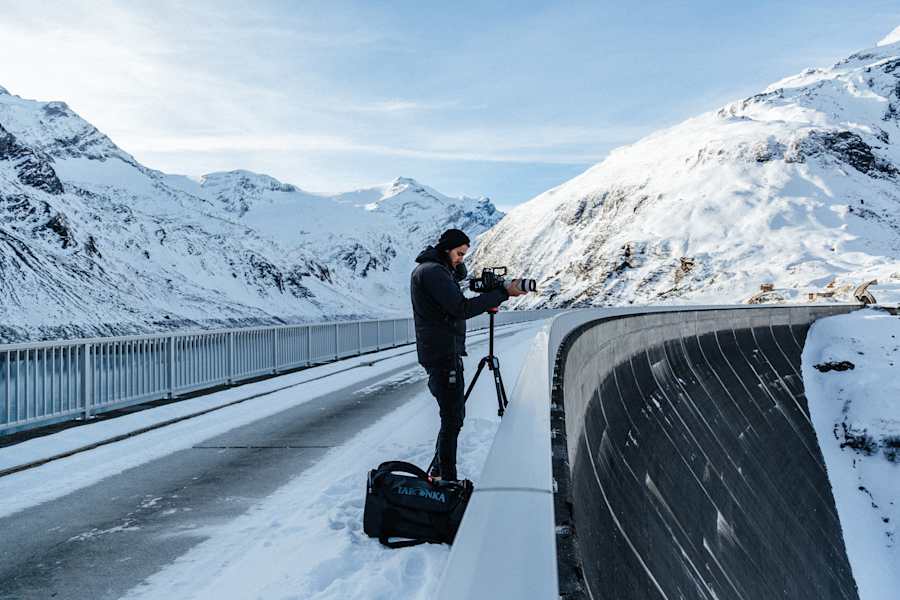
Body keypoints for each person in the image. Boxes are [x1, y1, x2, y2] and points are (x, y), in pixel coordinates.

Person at [410, 228, 526, 481]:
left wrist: (463, 274)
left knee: (454, 415)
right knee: (452, 418)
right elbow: (461, 308)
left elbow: (454, 301)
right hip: (442, 353)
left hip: (441, 351)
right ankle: (447, 479)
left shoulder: (432, 269)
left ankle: (441, 472)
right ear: (446, 249)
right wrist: (503, 293)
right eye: (459, 254)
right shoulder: (433, 272)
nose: (461, 259)